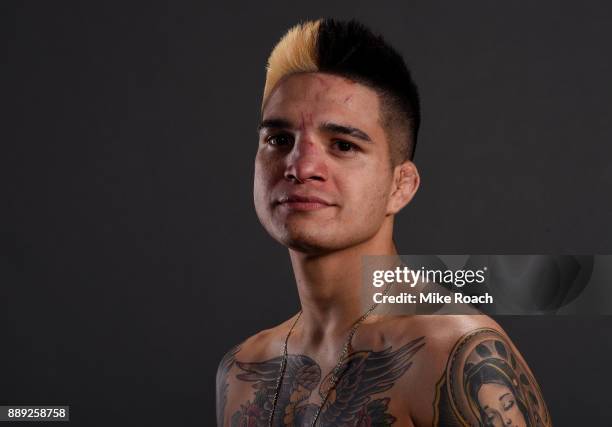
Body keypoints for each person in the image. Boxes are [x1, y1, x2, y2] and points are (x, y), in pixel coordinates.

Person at [215, 19, 551, 426]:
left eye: (343, 145)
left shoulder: (451, 352)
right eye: (279, 140)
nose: (300, 167)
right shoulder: (241, 370)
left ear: (401, 186)